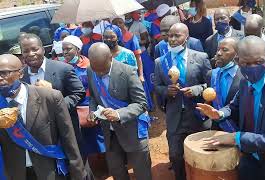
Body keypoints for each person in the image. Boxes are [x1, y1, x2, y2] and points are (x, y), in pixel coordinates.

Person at [197, 36, 265, 180]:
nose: (252, 68)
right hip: (248, 157)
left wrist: (238, 138)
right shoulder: (245, 81)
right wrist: (219, 114)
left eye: (258, 62)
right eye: (246, 63)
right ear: (238, 61)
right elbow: (235, 105)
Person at [0, 54, 87, 179]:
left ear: (20, 73)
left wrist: (78, 172)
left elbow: (68, 138)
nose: (0, 78)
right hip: (16, 173)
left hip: (49, 170)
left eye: (4, 73)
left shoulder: (50, 97)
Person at [19, 34, 89, 163]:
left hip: (65, 130)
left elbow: (79, 93)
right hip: (40, 138)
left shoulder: (63, 69)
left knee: (77, 166)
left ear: (43, 49)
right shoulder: (20, 76)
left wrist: (56, 101)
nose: (31, 53)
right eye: (26, 51)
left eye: (35, 49)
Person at [87, 42, 152, 180]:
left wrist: (118, 114)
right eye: (95, 69)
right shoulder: (90, 70)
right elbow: (93, 96)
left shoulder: (128, 72)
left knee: (142, 171)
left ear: (111, 58)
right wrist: (92, 111)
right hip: (109, 131)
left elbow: (141, 103)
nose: (99, 73)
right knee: (116, 170)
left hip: (132, 129)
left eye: (102, 70)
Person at [154, 23, 211, 180]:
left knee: (200, 155)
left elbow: (210, 85)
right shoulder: (160, 62)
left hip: (197, 115)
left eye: (176, 36)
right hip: (175, 117)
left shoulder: (201, 57)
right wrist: (166, 91)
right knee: (176, 156)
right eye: (169, 36)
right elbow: (157, 87)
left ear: (186, 38)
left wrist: (196, 90)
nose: (171, 39)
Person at [206, 37, 243, 132]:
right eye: (218, 49)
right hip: (216, 131)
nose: (218, 53)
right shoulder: (211, 75)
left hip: (238, 131)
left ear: (236, 54)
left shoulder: (245, 76)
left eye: (224, 50)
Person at [112, 17, 144, 82]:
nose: (118, 25)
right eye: (115, 23)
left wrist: (141, 75)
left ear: (124, 23)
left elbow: (138, 57)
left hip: (130, 71)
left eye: (120, 22)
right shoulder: (110, 39)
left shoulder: (131, 37)